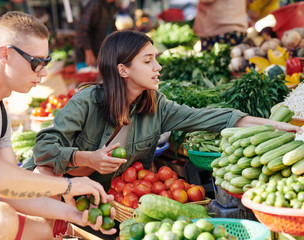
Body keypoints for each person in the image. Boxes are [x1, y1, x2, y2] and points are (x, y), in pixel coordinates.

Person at [23, 30, 302, 193]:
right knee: (40, 174)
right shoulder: (86, 102)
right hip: (69, 191)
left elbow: (211, 117)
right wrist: (88, 158)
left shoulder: (157, 105)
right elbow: (44, 148)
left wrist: (274, 126)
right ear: (123, 70)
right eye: (148, 60)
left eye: (155, 59)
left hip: (117, 197)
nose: (158, 67)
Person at [0, 11, 116, 240]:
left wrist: (73, 215)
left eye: (46, 62)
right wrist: (67, 186)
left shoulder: (0, 114)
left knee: (42, 231)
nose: (44, 73)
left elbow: (8, 193)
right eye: (36, 63)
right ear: (4, 54)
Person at [74, 0, 117, 72]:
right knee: (87, 80)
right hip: (86, 56)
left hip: (99, 54)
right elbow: (81, 29)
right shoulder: (95, 4)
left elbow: (112, 28)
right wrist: (88, 52)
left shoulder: (109, 6)